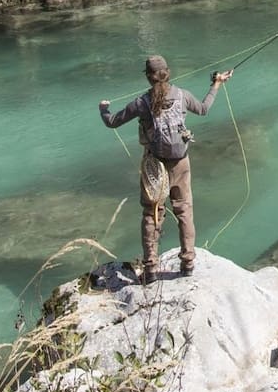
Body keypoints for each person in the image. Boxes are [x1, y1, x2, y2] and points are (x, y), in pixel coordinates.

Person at [99, 55, 233, 284]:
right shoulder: (182, 95)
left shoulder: (142, 103)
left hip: (154, 167)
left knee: (152, 215)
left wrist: (103, 109)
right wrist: (216, 84)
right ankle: (188, 263)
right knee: (184, 211)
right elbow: (203, 109)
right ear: (168, 73)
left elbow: (112, 122)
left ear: (148, 77)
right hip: (180, 162)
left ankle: (150, 269)